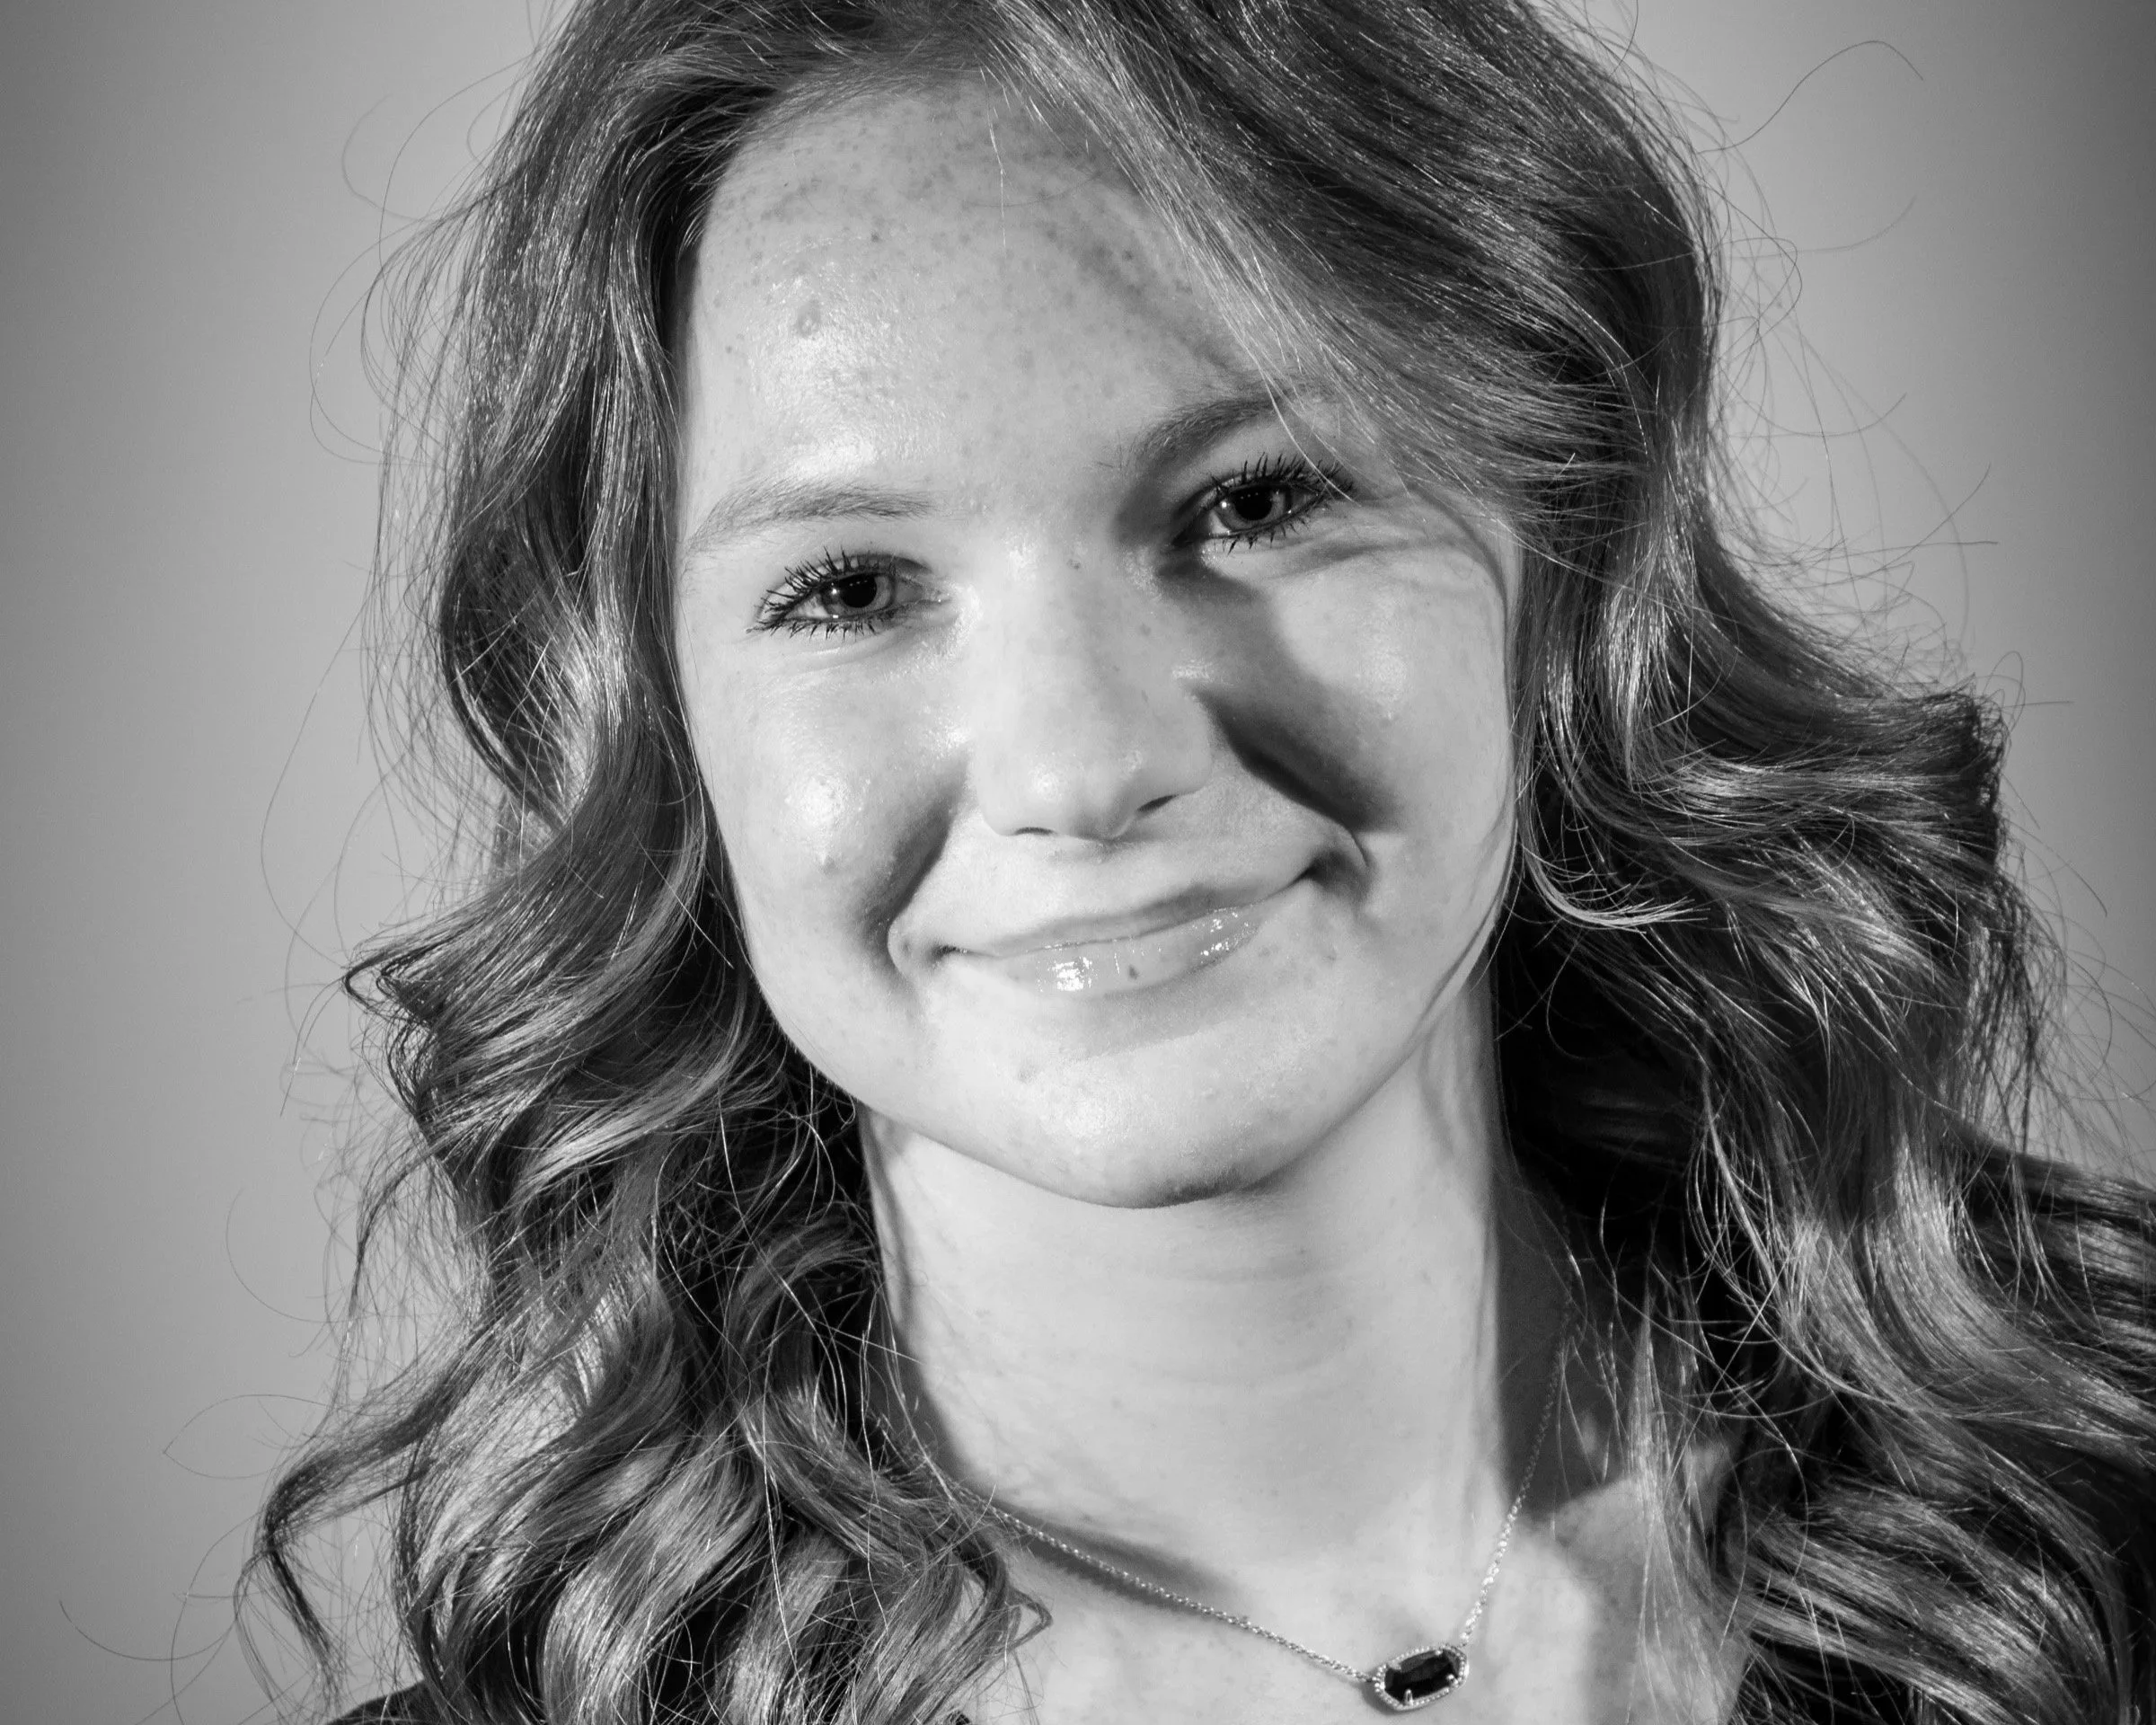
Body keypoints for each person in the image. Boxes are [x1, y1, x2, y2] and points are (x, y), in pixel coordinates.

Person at [247, 2, 2156, 1721]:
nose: (1083, 766)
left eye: (1254, 499)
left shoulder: (2101, 1516)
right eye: (847, 586)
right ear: (655, 722)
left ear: (1568, 548)